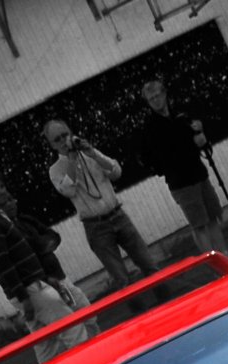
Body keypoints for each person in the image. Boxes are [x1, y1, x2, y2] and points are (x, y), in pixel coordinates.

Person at [0, 169, 95, 363]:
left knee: (46, 344)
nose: (2, 192)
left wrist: (45, 279)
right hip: (30, 290)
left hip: (34, 285)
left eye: (2, 186)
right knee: (72, 328)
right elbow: (2, 265)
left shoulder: (1, 219)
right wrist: (24, 297)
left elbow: (23, 256)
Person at [44, 119, 159, 301]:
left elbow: (116, 172)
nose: (63, 141)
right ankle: (141, 320)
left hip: (118, 215)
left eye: (65, 135)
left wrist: (92, 153)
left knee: (148, 263)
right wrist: (72, 161)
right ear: (52, 145)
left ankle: (171, 301)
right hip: (96, 227)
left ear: (71, 132)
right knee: (122, 279)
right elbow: (68, 190)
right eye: (57, 139)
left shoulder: (89, 152)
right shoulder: (55, 170)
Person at [135, 78, 224, 256]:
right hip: (182, 183)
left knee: (213, 217)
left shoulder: (181, 116)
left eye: (158, 95)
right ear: (148, 102)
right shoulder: (151, 128)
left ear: (165, 93)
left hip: (200, 174)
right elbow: (145, 158)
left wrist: (200, 132)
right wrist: (164, 169)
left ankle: (227, 257)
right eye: (151, 99)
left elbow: (198, 141)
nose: (156, 100)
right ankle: (217, 267)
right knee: (199, 225)